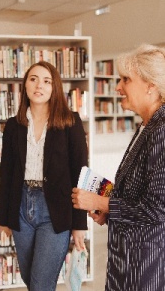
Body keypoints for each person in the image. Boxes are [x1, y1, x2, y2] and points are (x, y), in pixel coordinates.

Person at [72, 44, 165, 291]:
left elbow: (156, 210)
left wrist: (99, 203)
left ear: (151, 85)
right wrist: (110, 211)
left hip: (146, 267)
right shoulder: (146, 126)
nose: (118, 88)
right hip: (127, 261)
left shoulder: (162, 131)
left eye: (126, 79)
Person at [0, 61, 88, 290]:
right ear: (25, 85)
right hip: (20, 208)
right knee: (30, 279)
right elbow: (7, 173)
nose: (39, 85)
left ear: (54, 87)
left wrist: (80, 223)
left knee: (40, 284)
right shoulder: (13, 125)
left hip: (55, 210)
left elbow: (80, 173)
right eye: (33, 79)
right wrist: (5, 218)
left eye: (47, 81)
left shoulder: (70, 122)